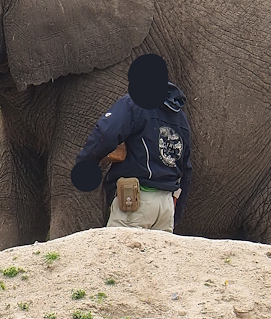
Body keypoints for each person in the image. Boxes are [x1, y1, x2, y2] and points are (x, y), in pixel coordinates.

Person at [70, 53, 192, 231]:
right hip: (166, 206)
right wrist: (176, 212)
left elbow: (106, 133)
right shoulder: (180, 117)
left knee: (119, 257)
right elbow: (186, 169)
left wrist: (85, 161)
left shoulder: (134, 103)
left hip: (135, 201)